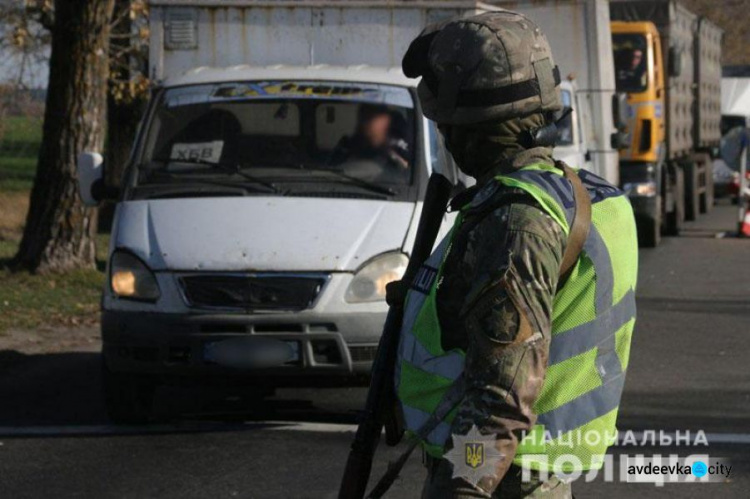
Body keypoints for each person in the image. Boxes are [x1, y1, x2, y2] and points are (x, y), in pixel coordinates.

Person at [390, 10, 639, 498]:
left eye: (444, 123)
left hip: (501, 479)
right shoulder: (583, 195)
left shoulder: (518, 218)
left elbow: (498, 399)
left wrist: (463, 485)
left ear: (466, 127)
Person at [328, 104, 410, 173]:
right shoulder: (347, 144)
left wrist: (390, 154)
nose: (368, 124)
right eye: (366, 117)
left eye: (373, 118)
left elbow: (406, 170)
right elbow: (332, 170)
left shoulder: (398, 148)